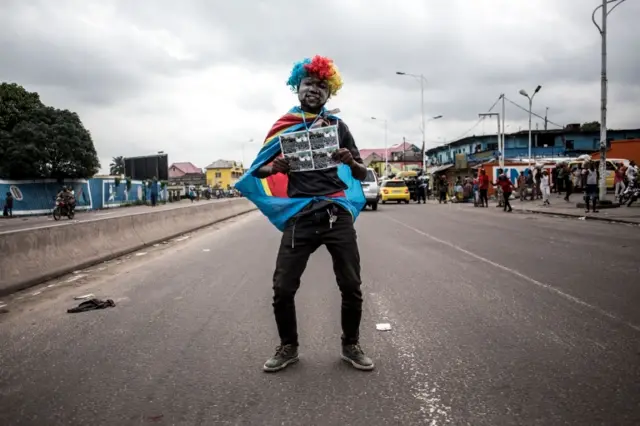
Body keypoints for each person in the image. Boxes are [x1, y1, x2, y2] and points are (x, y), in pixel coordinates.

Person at [235, 55, 373, 373]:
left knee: (351, 285)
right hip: (299, 216)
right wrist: (276, 166)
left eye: (321, 86)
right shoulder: (284, 126)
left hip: (336, 214)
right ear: (297, 87)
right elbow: (259, 171)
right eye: (308, 83)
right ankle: (288, 347)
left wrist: (349, 162)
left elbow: (364, 174)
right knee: (283, 287)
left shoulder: (339, 127)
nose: (314, 90)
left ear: (329, 93)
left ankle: (350, 344)